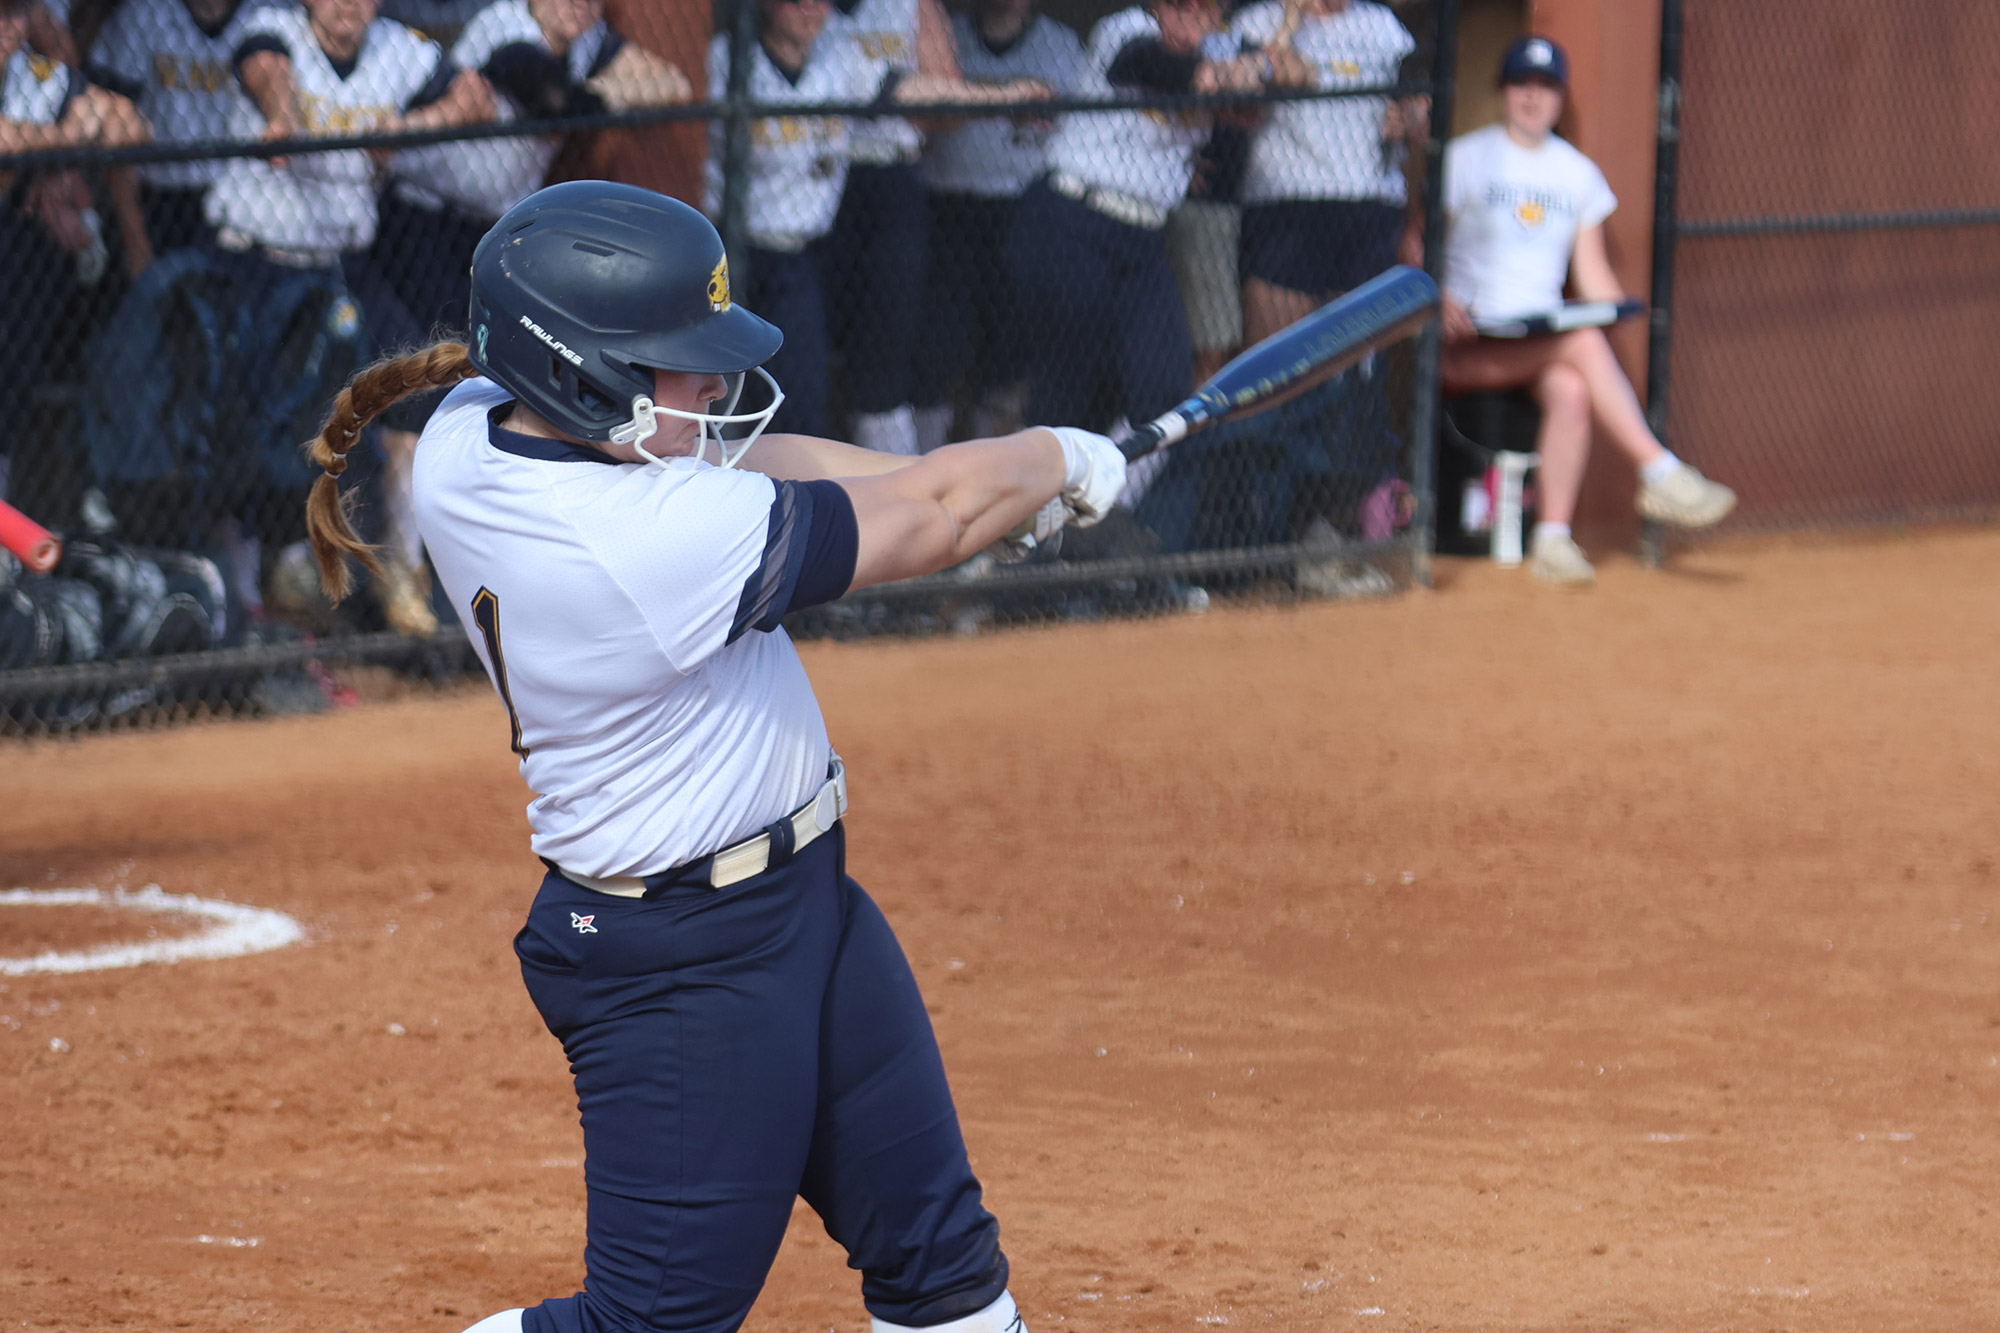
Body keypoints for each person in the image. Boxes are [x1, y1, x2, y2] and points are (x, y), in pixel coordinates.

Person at [298, 180, 1128, 1333]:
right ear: (582, 375)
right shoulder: (635, 544)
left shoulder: (476, 437)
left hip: (803, 904)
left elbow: (758, 465)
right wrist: (1053, 457)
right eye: (679, 362)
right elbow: (926, 521)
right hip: (685, 962)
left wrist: (1001, 483)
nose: (713, 384)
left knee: (943, 1268)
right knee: (651, 1322)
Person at [205, 0, 491, 632]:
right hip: (255, 267)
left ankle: (404, 583)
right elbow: (263, 65)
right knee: (244, 429)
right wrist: (282, 115)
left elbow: (476, 99)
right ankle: (246, 601)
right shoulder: (276, 27)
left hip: (343, 269)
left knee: (416, 396)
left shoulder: (398, 48)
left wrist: (407, 127)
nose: (348, 8)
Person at [1440, 34, 1735, 586]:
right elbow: (1415, 244)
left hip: (1534, 343)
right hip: (1464, 346)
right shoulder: (1464, 159)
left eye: (1546, 87)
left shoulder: (1576, 173)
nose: (1533, 97)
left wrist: (1616, 307)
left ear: (1560, 97)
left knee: (1573, 389)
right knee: (1580, 345)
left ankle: (1552, 540)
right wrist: (1438, 297)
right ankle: (1658, 469)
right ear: (1504, 91)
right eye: (1522, 84)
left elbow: (1592, 270)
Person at [703, 0, 1043, 442]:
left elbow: (910, 90)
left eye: (818, 2)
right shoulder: (727, 59)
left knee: (801, 398)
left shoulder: (836, 59)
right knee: (717, 396)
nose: (810, 10)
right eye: (795, 2)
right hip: (731, 254)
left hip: (798, 260)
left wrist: (1004, 97)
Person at [1005, 0, 1286, 448]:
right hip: (1073, 220)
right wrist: (1243, 70)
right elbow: (1166, 71)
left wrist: (1253, 69)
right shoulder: (1126, 28)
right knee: (1063, 392)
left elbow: (1254, 109)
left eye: (1206, 7)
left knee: (1166, 392)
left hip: (1144, 239)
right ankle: (1028, 512)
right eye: (1181, 5)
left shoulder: (1223, 46)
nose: (1192, 14)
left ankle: (1113, 510)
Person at [377, 0, 692, 337]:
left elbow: (675, 86)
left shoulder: (586, 40)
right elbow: (552, 106)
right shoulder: (503, 25)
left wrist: (590, 92)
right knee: (439, 350)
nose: (579, 4)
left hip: (488, 230)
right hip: (422, 219)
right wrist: (597, 96)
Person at [909, 0, 1084, 454]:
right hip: (948, 205)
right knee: (936, 347)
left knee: (1006, 351)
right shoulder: (948, 37)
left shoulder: (1062, 45)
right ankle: (921, 466)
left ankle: (988, 467)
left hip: (1024, 210)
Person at [0, 0, 147, 504]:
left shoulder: (36, 75)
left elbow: (134, 127)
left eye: (15, 14)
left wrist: (99, 116)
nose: (6, 26)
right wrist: (64, 141)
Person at [87, 0, 272, 271]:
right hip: (157, 197)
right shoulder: (146, 12)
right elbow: (115, 138)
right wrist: (136, 244)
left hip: (241, 197)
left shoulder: (265, 13)